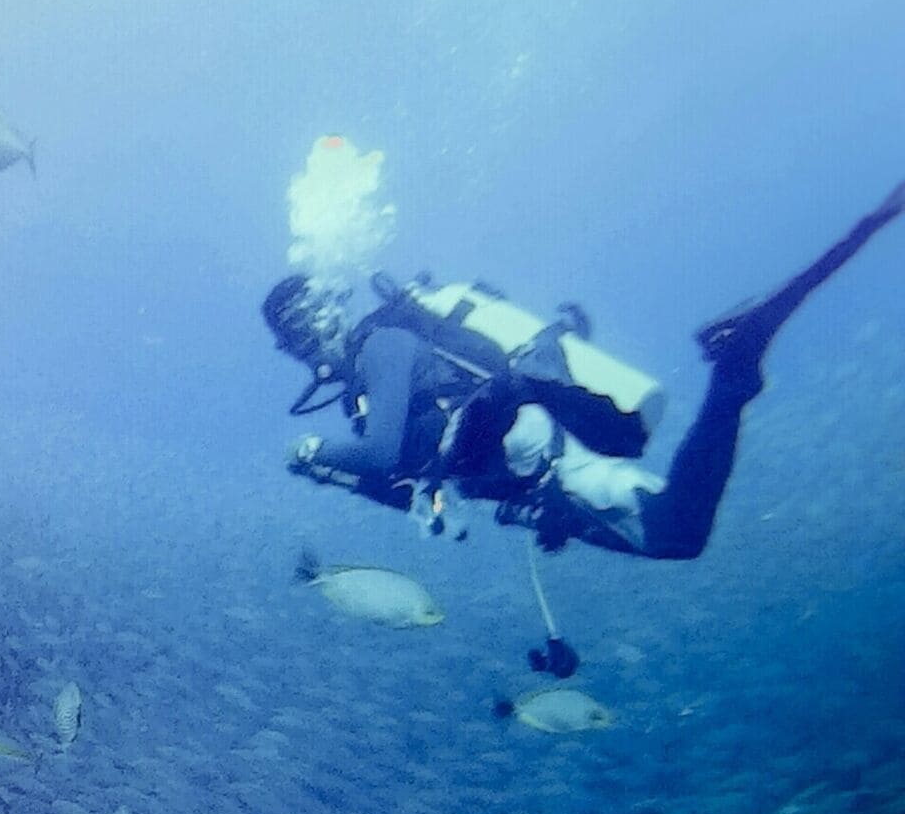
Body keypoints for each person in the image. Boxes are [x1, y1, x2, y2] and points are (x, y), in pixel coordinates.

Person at [268, 181, 904, 563]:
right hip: (528, 474)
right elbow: (403, 476)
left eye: (295, 332)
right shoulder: (363, 386)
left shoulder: (380, 345)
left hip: (543, 452)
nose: (299, 347)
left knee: (677, 531)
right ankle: (733, 376)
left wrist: (313, 450)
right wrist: (338, 477)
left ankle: (733, 369)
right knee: (679, 532)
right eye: (292, 337)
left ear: (317, 319)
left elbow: (381, 453)